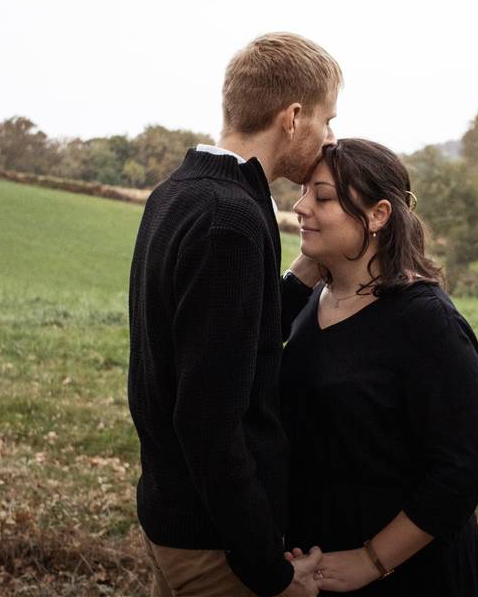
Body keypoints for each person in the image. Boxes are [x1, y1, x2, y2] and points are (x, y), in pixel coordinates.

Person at [127, 32, 340, 597]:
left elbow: (230, 341)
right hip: (213, 545)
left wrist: (306, 271)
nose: (330, 137)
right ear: (293, 117)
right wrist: (267, 571)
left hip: (172, 512)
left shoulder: (177, 193)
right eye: (327, 120)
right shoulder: (233, 219)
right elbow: (209, 423)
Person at [280, 139, 478, 596]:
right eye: (302, 192)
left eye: (322, 196)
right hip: (317, 565)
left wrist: (371, 559)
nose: (299, 207)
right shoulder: (314, 298)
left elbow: (463, 468)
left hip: (407, 575)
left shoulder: (426, 322)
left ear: (378, 216)